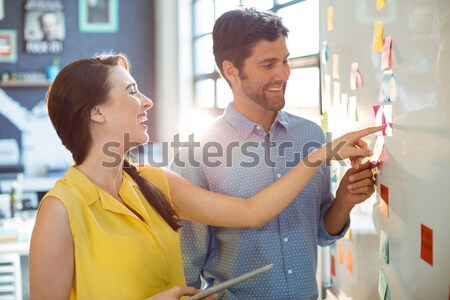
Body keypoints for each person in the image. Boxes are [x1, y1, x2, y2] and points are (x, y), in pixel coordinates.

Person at [29, 52, 381, 300]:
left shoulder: (152, 181)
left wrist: (322, 154)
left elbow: (251, 212)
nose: (148, 101)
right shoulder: (62, 209)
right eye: (132, 91)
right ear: (96, 113)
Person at [170, 8, 380, 300]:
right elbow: (185, 266)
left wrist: (344, 201)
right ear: (231, 70)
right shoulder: (195, 154)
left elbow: (321, 230)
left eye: (285, 60)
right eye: (268, 64)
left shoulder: (310, 135)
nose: (283, 74)